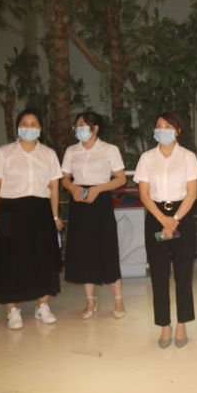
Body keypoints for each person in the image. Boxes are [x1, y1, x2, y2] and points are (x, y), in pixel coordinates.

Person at [0, 109, 64, 330]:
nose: (29, 127)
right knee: (10, 260)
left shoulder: (48, 154)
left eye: (33, 124)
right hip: (11, 211)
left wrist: (55, 216)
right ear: (18, 127)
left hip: (40, 211)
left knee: (43, 258)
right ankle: (12, 309)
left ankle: (43, 305)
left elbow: (54, 187)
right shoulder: (4, 153)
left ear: (40, 128)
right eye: (24, 123)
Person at [134, 112, 197, 348]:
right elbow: (144, 194)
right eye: (158, 126)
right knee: (159, 275)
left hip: (182, 216)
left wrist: (174, 219)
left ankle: (182, 323)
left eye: (168, 126)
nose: (162, 130)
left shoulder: (188, 157)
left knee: (183, 274)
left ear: (177, 131)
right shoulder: (146, 158)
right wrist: (163, 218)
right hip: (156, 216)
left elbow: (192, 194)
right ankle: (164, 325)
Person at [61, 112, 127, 320]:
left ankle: (118, 300)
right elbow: (64, 178)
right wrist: (72, 188)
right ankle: (90, 301)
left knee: (107, 248)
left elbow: (121, 179)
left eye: (83, 125)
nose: (79, 129)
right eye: (77, 125)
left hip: (101, 200)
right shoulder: (71, 151)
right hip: (78, 202)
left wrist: (98, 189)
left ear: (95, 128)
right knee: (84, 252)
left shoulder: (109, 149)